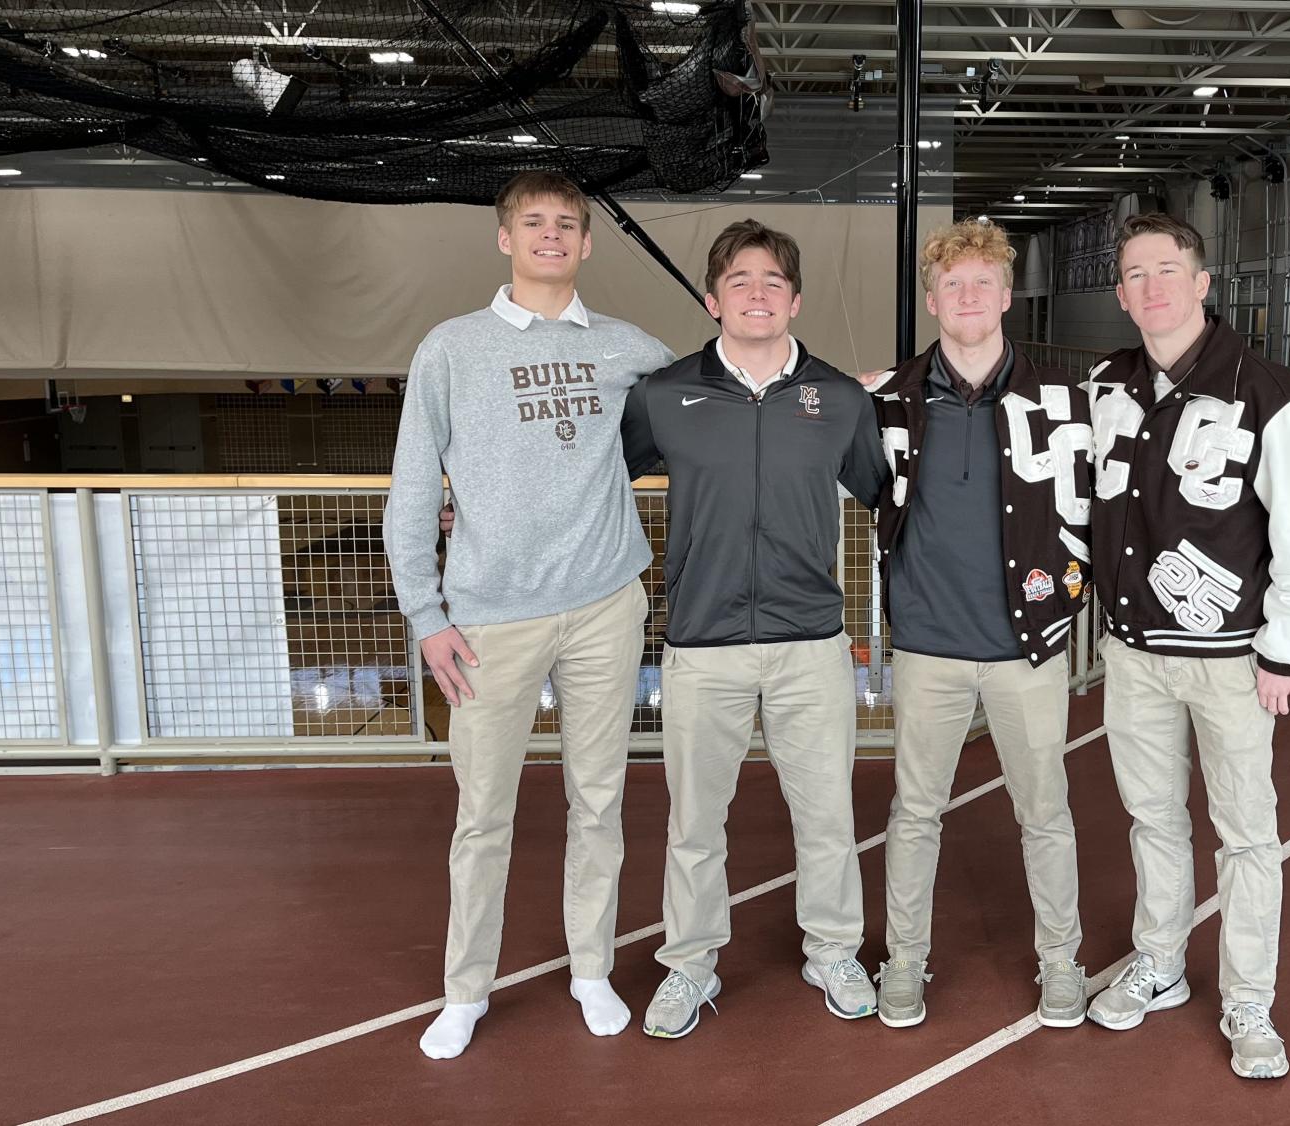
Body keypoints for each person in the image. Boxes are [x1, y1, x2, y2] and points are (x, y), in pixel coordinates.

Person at [384, 170, 675, 1060]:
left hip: (601, 607)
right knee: (483, 813)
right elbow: (409, 487)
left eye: (567, 225)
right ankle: (465, 990)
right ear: (504, 238)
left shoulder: (628, 347)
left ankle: (592, 968)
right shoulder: (450, 348)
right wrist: (425, 613)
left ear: (586, 245)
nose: (552, 235)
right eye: (534, 223)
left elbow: (728, 392)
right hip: (487, 622)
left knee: (600, 800)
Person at [1080, 212, 1290, 1080]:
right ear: (1121, 296)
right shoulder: (1105, 386)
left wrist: (1285, 652)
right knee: (1151, 819)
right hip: (1133, 653)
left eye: (1168, 269)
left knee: (1244, 835)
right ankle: (1158, 963)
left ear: (1202, 284)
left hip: (1230, 659)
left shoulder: (1270, 395)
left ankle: (1248, 1001)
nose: (1151, 286)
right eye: (1134, 274)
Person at [619, 219, 888, 1038]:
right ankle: (690, 965)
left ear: (795, 299)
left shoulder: (839, 398)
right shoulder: (663, 395)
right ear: (712, 298)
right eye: (740, 280)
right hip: (701, 646)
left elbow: (885, 492)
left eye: (773, 281)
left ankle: (833, 950)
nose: (758, 293)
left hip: (810, 642)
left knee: (827, 819)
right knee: (695, 825)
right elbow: (589, 481)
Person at [861, 219, 1093, 1028]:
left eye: (982, 283)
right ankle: (903, 962)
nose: (968, 296)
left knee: (1045, 813)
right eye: (952, 285)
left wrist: (1071, 594)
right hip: (927, 648)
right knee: (913, 813)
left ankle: (1061, 962)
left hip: (1026, 649)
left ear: (1005, 295)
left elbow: (1106, 506)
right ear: (932, 300)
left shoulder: (1066, 401)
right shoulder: (887, 399)